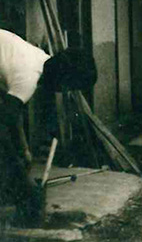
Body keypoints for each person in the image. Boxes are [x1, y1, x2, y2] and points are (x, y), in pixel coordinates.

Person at [0, 29, 97, 226]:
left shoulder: (38, 58)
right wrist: (19, 170)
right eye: (69, 87)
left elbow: (11, 112)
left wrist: (24, 148)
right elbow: (3, 121)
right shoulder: (28, 77)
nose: (64, 92)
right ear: (63, 77)